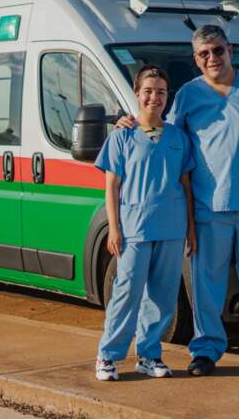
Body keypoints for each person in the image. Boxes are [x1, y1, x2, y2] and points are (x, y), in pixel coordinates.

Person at [118, 25, 239, 376]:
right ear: (196, 60)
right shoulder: (187, 96)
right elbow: (162, 135)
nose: (212, 58)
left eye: (217, 50)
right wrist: (127, 124)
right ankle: (206, 350)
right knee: (206, 284)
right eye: (204, 54)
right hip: (208, 206)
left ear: (230, 50)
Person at [94, 65, 197, 381]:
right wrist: (114, 227)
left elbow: (186, 185)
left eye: (161, 91)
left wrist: (191, 227)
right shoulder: (122, 135)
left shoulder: (178, 137)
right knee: (126, 293)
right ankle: (108, 356)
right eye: (149, 90)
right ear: (137, 94)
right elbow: (111, 185)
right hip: (134, 228)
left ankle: (149, 355)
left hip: (171, 227)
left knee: (163, 296)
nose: (155, 97)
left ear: (168, 97)